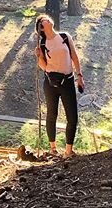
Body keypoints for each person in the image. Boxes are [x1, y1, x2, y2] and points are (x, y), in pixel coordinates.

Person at [34, 14, 84, 159]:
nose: (48, 19)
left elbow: (74, 56)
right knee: (52, 114)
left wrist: (79, 75)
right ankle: (53, 148)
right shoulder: (42, 44)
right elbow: (43, 66)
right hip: (50, 82)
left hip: (67, 80)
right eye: (44, 20)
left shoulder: (64, 37)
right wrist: (38, 56)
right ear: (41, 27)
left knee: (72, 116)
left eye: (48, 18)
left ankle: (68, 151)